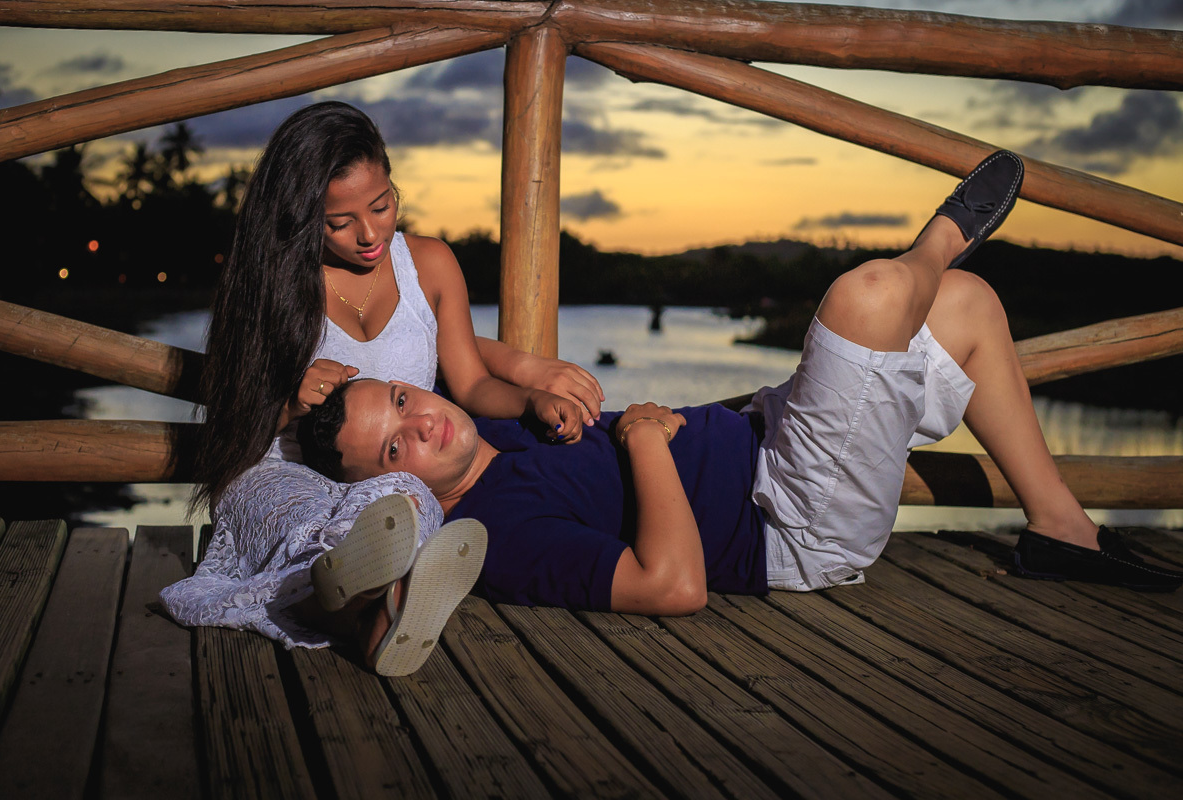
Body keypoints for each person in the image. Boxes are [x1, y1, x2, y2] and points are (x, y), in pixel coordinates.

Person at [298, 151, 1183, 628]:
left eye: (408, 401)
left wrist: (537, 391)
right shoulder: (497, 533)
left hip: (765, 433)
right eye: (393, 447)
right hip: (791, 518)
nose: (423, 425)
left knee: (964, 311)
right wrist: (644, 442)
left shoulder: (501, 441)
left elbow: (478, 378)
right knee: (874, 296)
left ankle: (1060, 529)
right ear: (391, 485)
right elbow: (673, 585)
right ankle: (943, 235)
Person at [162, 101, 599, 651]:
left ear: (394, 185)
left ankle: (371, 610)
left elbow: (471, 386)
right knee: (305, 515)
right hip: (281, 469)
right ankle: (369, 619)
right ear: (300, 217)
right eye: (339, 223)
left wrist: (530, 397)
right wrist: (289, 404)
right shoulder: (271, 290)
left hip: (383, 475)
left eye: (382, 205)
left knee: (403, 500)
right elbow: (233, 427)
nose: (369, 234)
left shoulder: (431, 265)